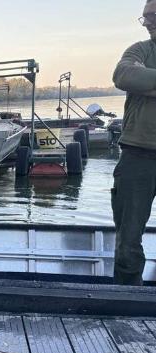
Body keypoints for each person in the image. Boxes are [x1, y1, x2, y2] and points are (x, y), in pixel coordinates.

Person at [111, 0, 156, 285]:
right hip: (137, 156)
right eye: (145, 18)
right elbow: (124, 75)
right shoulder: (139, 50)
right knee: (128, 240)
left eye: (153, 16)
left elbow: (141, 81)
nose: (148, 22)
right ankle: (127, 305)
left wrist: (148, 86)